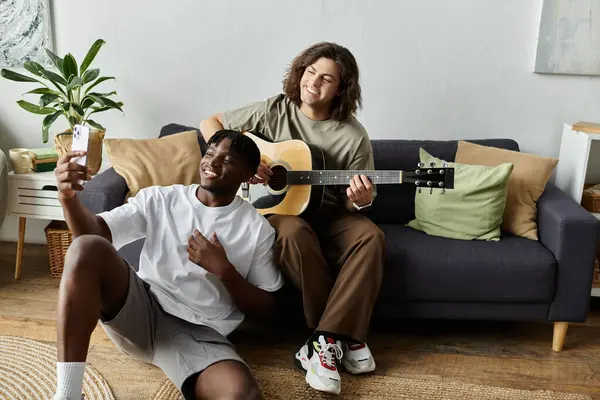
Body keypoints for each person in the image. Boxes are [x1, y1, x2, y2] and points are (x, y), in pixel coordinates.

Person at [200, 41, 385, 396]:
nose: (313, 83)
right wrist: (246, 162)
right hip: (281, 211)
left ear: (341, 89)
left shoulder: (353, 135)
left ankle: (324, 340)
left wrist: (359, 200)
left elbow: (356, 202)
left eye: (326, 78)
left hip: (331, 213)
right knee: (293, 233)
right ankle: (345, 336)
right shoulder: (276, 109)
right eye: (310, 72)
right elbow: (211, 123)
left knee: (371, 236)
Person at [52, 130, 283, 400]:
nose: (212, 163)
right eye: (209, 153)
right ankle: (68, 394)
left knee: (243, 394)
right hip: (141, 310)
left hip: (200, 335)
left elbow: (268, 308)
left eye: (228, 160)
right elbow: (93, 234)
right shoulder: (161, 199)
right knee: (85, 247)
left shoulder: (256, 229)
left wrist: (225, 271)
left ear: (248, 175)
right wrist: (67, 199)